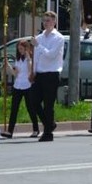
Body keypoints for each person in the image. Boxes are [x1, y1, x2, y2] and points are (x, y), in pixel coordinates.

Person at [32, 11, 65, 142]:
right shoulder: (39, 37)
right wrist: (33, 72)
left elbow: (51, 55)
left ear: (54, 22)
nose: (46, 23)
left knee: (48, 105)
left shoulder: (58, 38)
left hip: (52, 73)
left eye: (48, 21)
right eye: (44, 21)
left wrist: (38, 46)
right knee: (33, 101)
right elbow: (36, 57)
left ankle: (47, 133)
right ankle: (49, 124)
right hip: (40, 74)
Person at [1, 40, 40, 138]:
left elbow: (30, 71)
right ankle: (10, 131)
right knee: (14, 108)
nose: (20, 51)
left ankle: (36, 129)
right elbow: (15, 74)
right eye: (19, 49)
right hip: (17, 85)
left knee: (30, 108)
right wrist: (8, 66)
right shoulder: (18, 60)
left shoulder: (30, 59)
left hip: (27, 85)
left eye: (22, 49)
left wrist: (28, 59)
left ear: (27, 48)